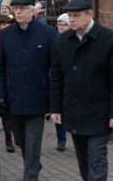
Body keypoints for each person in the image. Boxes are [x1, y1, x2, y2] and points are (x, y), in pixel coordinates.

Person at [49, 0, 113, 181]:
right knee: (84, 164)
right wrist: (55, 108)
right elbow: (57, 77)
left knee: (97, 161)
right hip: (75, 113)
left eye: (76, 15)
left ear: (90, 14)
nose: (72, 19)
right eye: (70, 15)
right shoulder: (63, 40)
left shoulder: (109, 39)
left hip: (99, 114)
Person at [0, 0, 56, 181]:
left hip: (37, 97)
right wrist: (0, 96)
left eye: (22, 9)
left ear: (32, 11)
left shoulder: (47, 33)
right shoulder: (5, 35)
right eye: (15, 9)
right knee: (21, 140)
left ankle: (30, 175)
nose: (18, 12)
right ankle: (33, 164)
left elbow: (56, 66)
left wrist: (52, 94)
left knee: (33, 142)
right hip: (14, 97)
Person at [0, 14, 15, 153]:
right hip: (2, 78)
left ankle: (18, 135)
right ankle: (8, 138)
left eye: (8, 24)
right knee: (5, 112)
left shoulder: (16, 37)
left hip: (15, 78)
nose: (6, 27)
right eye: (3, 24)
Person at [52, 13, 70, 152]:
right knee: (59, 110)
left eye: (63, 24)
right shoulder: (54, 39)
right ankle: (61, 139)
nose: (60, 27)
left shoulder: (75, 40)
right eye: (58, 24)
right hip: (58, 78)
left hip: (71, 79)